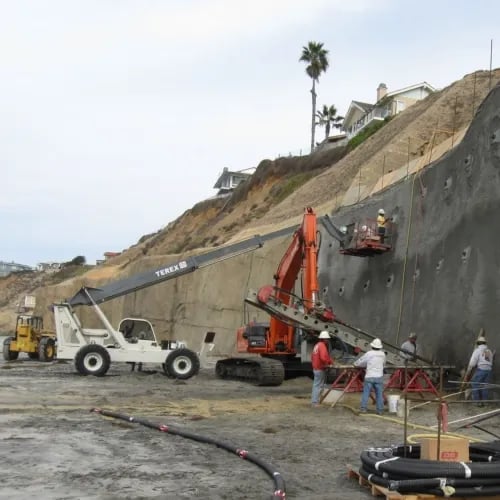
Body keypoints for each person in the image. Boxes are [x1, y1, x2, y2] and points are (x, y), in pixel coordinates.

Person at [354, 338, 386, 415]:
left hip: (370, 376)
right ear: (380, 347)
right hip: (379, 376)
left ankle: (363, 409)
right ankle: (380, 410)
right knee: (379, 394)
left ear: (372, 346)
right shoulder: (383, 354)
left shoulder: (369, 353)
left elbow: (361, 362)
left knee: (366, 393)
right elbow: (383, 364)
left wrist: (355, 364)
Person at [465, 336, 493, 406]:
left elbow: (472, 363)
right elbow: (491, 362)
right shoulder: (489, 351)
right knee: (485, 386)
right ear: (485, 343)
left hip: (481, 370)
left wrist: (468, 371)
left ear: (478, 343)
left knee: (475, 384)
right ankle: (485, 402)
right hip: (489, 371)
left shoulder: (477, 351)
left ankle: (477, 402)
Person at [311, 331, 333, 408]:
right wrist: (328, 363)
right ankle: (315, 402)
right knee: (318, 385)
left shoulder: (317, 345)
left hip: (315, 367)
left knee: (316, 385)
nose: (328, 341)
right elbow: (323, 357)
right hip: (320, 368)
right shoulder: (322, 346)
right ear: (324, 339)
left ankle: (315, 401)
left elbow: (312, 357)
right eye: (327, 339)